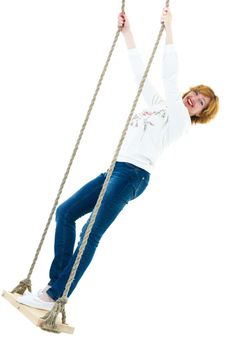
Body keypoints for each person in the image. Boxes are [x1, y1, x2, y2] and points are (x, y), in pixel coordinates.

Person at [18, 7, 219, 310]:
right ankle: (55, 285)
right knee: (66, 212)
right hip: (115, 170)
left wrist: (169, 29)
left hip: (133, 176)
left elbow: (169, 75)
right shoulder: (161, 106)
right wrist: (128, 34)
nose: (194, 98)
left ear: (199, 115)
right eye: (196, 93)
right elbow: (140, 73)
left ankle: (57, 296)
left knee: (91, 232)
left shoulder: (179, 120)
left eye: (200, 103)